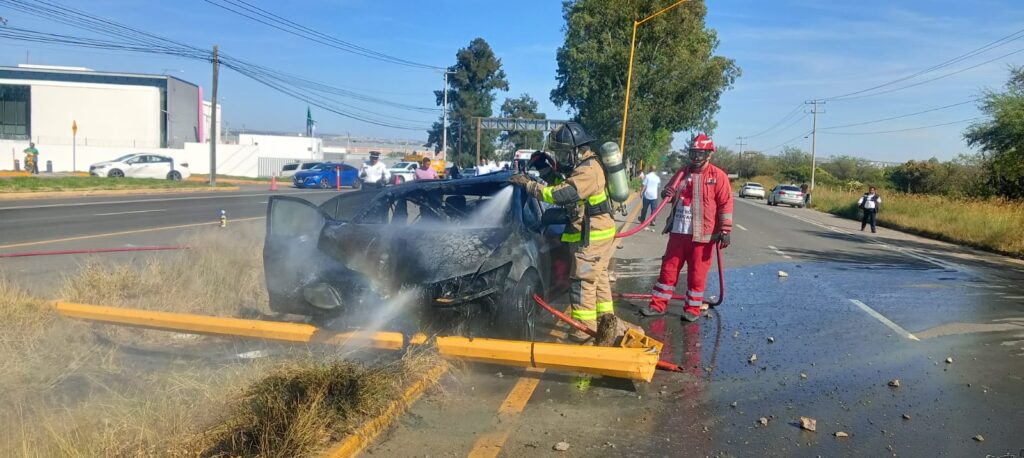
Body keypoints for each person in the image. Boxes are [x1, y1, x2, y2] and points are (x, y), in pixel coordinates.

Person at [509, 122, 617, 341]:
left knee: (582, 282)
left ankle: (583, 331)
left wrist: (530, 186)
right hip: (597, 234)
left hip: (592, 236)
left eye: (564, 152)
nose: (562, 157)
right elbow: (562, 183)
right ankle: (606, 323)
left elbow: (561, 194)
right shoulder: (584, 166)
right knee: (598, 279)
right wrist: (544, 169)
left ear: (576, 149)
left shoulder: (588, 170)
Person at [638, 133, 733, 322]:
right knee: (668, 270)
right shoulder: (682, 173)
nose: (696, 157)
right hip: (678, 232)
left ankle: (692, 309)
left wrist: (725, 230)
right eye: (693, 153)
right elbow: (669, 194)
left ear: (709, 154)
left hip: (703, 236)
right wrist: (667, 193)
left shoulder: (718, 176)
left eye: (700, 153)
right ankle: (657, 305)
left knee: (697, 275)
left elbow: (725, 204)